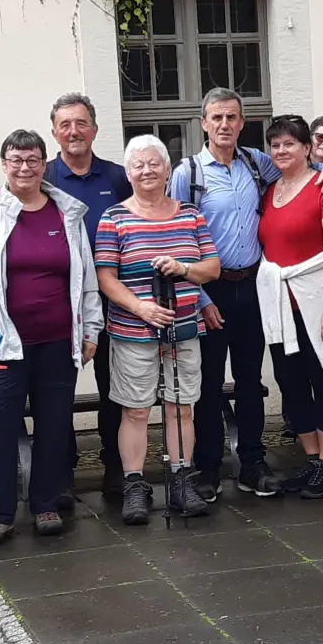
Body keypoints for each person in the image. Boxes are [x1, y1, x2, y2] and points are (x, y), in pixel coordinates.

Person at [168, 89, 323, 501]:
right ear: (204, 123)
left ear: (242, 123)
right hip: (208, 290)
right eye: (217, 118)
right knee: (208, 383)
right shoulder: (187, 172)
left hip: (254, 287)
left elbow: (294, 165)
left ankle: (252, 462)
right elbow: (177, 236)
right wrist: (201, 298)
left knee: (251, 381)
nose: (224, 124)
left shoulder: (254, 162)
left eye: (232, 117)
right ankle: (208, 468)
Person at [0, 129, 103, 546]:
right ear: (4, 165)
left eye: (32, 159)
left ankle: (46, 503)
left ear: (43, 163)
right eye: (15, 160)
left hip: (58, 340)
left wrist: (91, 328)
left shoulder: (65, 212)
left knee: (54, 424)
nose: (24, 167)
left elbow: (85, 278)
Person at [97, 135, 220, 524]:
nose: (147, 170)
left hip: (184, 328)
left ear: (168, 170)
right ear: (128, 173)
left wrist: (183, 269)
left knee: (181, 407)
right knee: (134, 410)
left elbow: (212, 268)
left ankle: (181, 480)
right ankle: (135, 485)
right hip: (133, 332)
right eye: (138, 165)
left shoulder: (189, 215)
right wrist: (140, 308)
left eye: (154, 163)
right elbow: (105, 277)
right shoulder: (113, 217)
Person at [43, 93, 132, 496]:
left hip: (113, 300)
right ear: (54, 133)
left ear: (94, 129)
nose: (73, 132)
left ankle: (115, 466)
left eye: (81, 123)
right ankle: (61, 471)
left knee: (114, 386)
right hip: (58, 303)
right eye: (65, 125)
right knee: (55, 389)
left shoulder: (117, 177)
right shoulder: (42, 179)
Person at [256, 116, 323, 500]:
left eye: (289, 144)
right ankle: (311, 461)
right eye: (275, 145)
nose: (281, 151)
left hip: (316, 301)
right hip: (280, 306)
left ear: (308, 148)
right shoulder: (269, 190)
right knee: (290, 383)